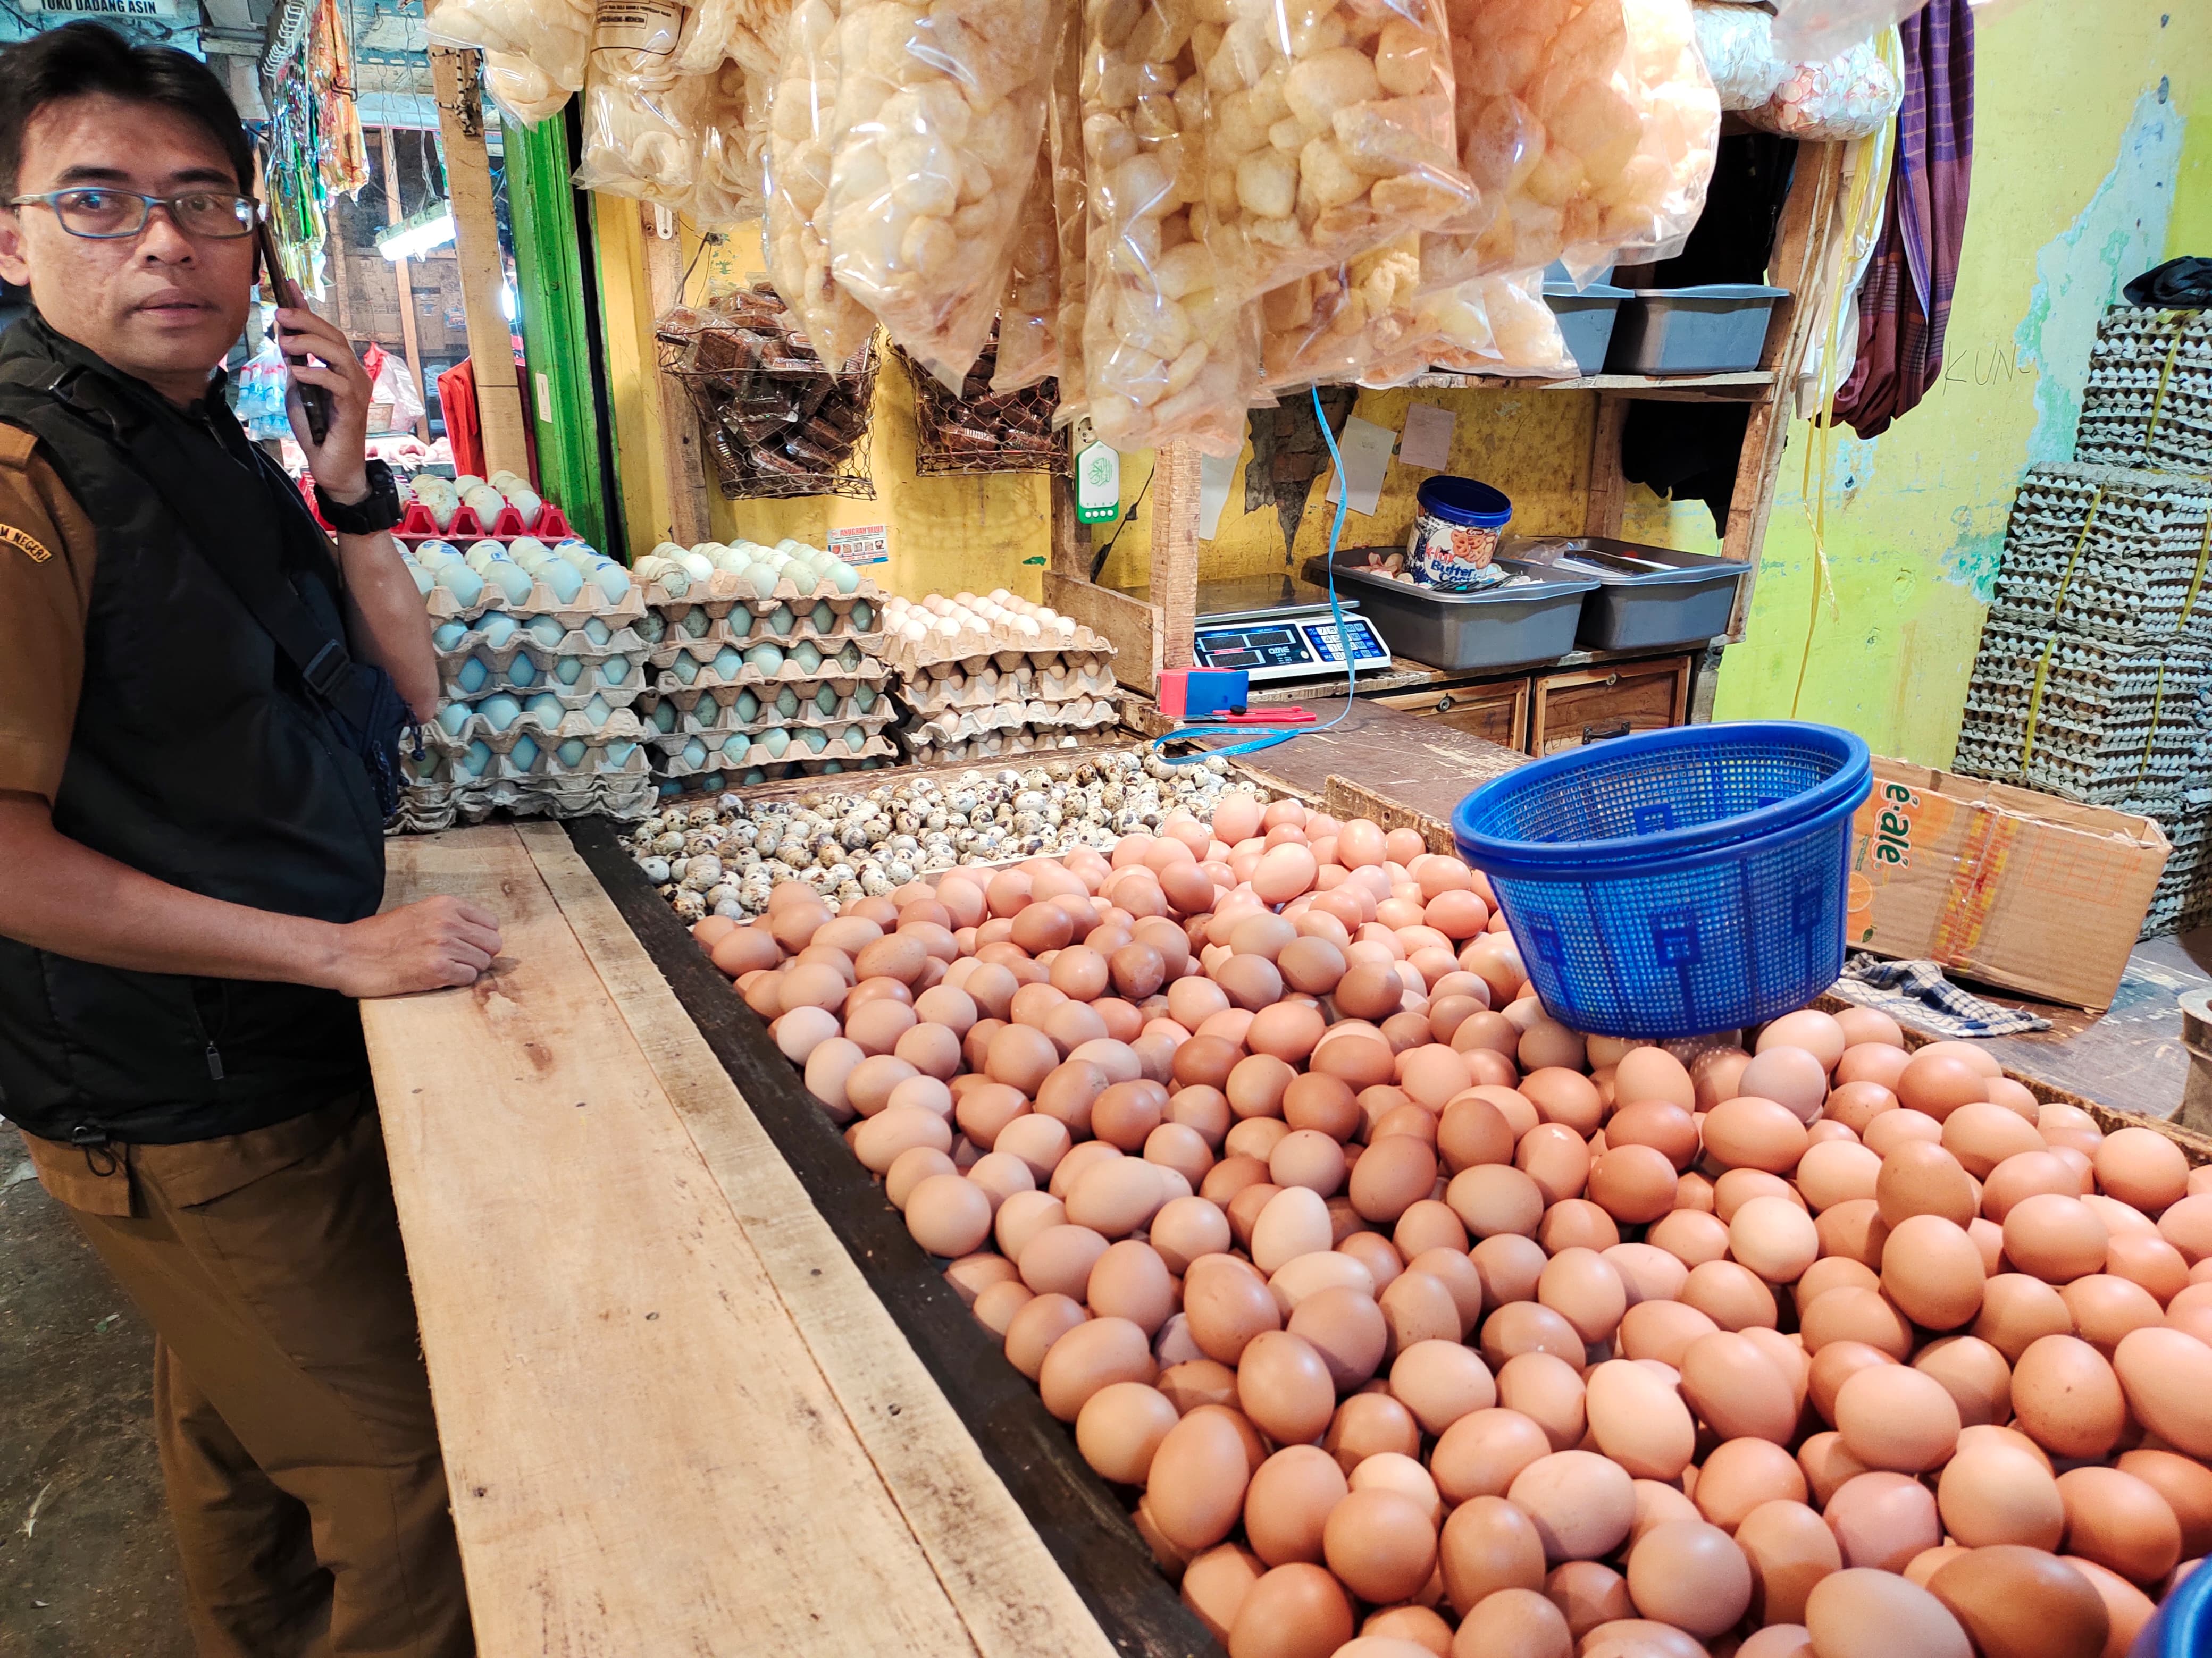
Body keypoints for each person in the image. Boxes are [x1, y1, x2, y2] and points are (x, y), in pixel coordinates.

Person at [0, 23, 497, 1657]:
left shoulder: (188, 436)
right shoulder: (26, 476)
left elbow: (406, 688)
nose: (164, 239)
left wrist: (346, 486)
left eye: (205, 201)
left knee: (237, 1430)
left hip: (262, 1055)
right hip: (185, 1095)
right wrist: (335, 948)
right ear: (10, 237)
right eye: (98, 200)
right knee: (411, 1481)